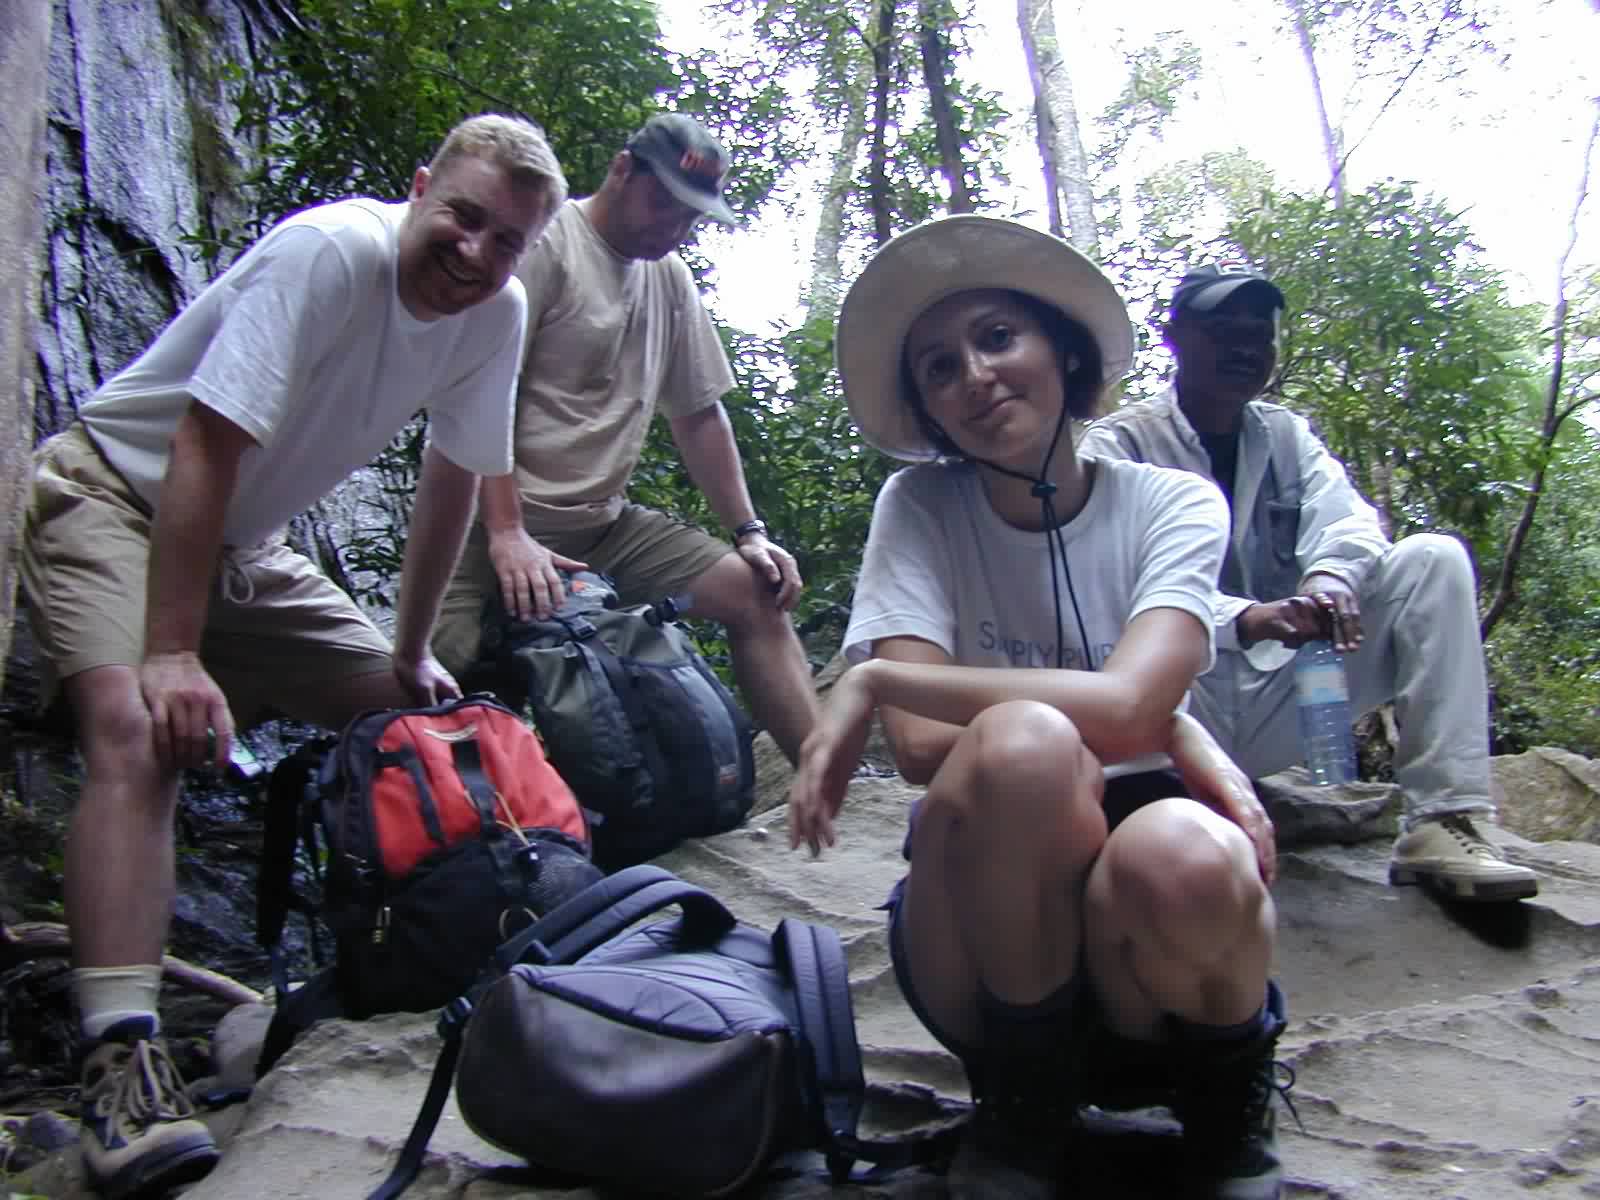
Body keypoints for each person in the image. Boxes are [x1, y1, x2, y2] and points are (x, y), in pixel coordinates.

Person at [18, 113, 567, 1198]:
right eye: (462, 217)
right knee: (138, 727)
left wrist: (409, 650)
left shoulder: (493, 313)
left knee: (425, 723)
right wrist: (172, 653)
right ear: (420, 186)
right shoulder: (330, 253)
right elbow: (205, 438)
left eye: (507, 239)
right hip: (112, 498)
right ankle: (121, 1064)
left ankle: (402, 958)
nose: (475, 252)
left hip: (244, 552)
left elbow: (454, 478)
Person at [789, 215, 1290, 1200]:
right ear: (928, 412)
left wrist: (878, 677)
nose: (974, 376)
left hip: (1148, 941)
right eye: (939, 368)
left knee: (1185, 847)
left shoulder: (1173, 504)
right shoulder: (919, 509)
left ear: (1063, 351)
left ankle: (1225, 1111)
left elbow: (1137, 706)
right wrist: (1148, 719)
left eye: (996, 338)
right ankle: (1026, 1114)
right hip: (983, 933)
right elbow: (926, 745)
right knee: (1024, 744)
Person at [1078, 263, 1539, 904]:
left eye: (1259, 334)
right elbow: (1106, 580)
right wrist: (1244, 619)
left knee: (1433, 559)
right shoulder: (1118, 446)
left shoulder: (1284, 436)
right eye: (1223, 330)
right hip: (1176, 709)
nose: (1245, 347)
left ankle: (1444, 822)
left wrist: (1330, 578)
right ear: (1174, 337)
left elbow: (1349, 523)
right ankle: (1146, 803)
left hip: (1276, 700)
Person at [433, 112, 818, 763]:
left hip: (602, 526)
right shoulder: (547, 244)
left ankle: (826, 784)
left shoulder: (668, 278)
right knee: (442, 668)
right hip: (487, 515)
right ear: (620, 169)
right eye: (663, 202)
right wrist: (506, 532)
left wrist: (749, 532)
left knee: (758, 593)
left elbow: (698, 416)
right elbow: (482, 393)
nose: (673, 227)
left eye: (689, 216)